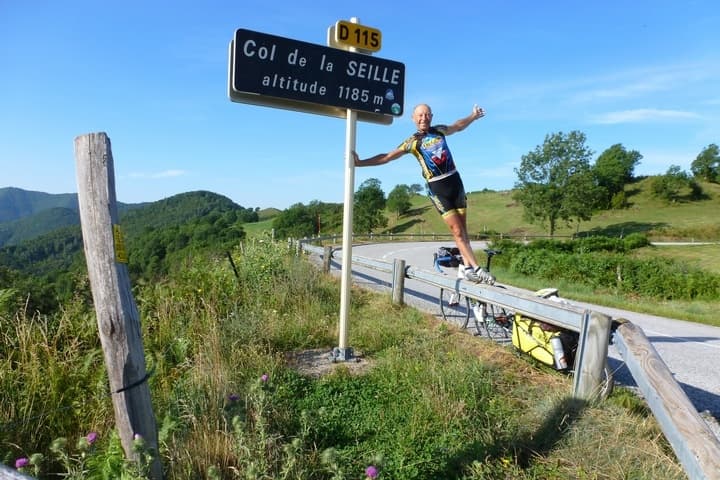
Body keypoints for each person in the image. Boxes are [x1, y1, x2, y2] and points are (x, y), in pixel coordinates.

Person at [352, 103, 494, 284]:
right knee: (457, 231)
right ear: (413, 118)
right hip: (437, 188)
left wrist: (472, 116)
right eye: (419, 115)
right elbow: (387, 156)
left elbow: (457, 126)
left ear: (431, 117)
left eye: (426, 115)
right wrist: (360, 162)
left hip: (455, 182)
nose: (423, 118)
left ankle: (467, 268)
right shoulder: (412, 142)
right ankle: (477, 269)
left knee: (463, 231)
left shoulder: (439, 130)